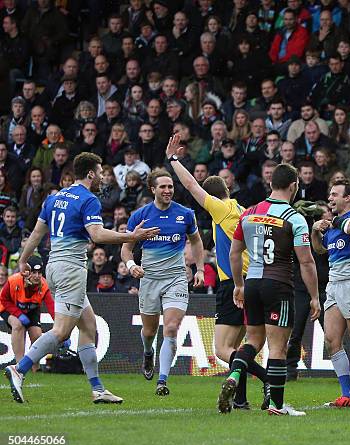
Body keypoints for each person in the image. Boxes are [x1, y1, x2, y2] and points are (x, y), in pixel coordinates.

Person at [4, 152, 159, 404]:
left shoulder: (54, 198)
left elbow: (36, 233)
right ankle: (19, 369)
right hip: (71, 270)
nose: (100, 177)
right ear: (90, 173)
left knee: (88, 326)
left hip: (54, 265)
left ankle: (97, 389)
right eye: (99, 172)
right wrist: (133, 236)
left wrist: (23, 259)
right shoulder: (88, 199)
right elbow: (97, 235)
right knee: (62, 331)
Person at [164, 134, 269, 410]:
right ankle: (243, 400)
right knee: (239, 347)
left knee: (222, 350)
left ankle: (268, 379)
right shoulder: (242, 209)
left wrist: (174, 160)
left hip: (233, 284)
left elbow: (190, 185)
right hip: (255, 280)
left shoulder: (220, 210)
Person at [218, 164, 320, 416]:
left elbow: (234, 252)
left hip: (251, 283)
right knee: (277, 348)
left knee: (252, 340)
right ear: (294, 185)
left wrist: (239, 285)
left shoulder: (249, 213)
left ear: (271, 183)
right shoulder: (294, 218)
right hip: (278, 285)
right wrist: (315, 296)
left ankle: (234, 374)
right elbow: (306, 261)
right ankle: (276, 405)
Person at [121, 166, 205, 396]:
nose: (168, 190)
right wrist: (131, 266)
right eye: (163, 187)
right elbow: (126, 248)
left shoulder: (185, 214)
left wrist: (199, 269)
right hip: (149, 279)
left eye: (170, 186)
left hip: (176, 278)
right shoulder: (140, 216)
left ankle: (162, 379)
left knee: (170, 327)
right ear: (153, 189)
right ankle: (148, 353)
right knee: (149, 332)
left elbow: (196, 242)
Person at [311, 179, 350, 407]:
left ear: (348, 198)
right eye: (330, 194)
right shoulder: (334, 226)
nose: (330, 198)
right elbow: (320, 250)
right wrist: (315, 231)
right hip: (334, 285)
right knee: (331, 340)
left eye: (334, 194)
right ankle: (347, 394)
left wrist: (334, 221)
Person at [0, 256, 55, 363]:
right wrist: (18, 314)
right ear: (26, 272)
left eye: (39, 273)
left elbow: (52, 308)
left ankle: (35, 366)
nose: (37, 276)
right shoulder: (14, 280)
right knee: (18, 325)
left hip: (31, 309)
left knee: (37, 335)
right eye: (33, 272)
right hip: (10, 307)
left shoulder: (44, 285)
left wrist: (60, 328)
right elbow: (3, 299)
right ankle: (20, 364)